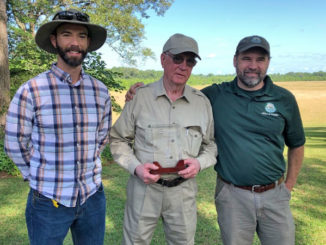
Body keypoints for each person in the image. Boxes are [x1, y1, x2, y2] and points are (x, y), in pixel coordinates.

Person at [125, 35, 305, 245]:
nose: (253, 66)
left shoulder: (284, 99)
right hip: (232, 195)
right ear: (235, 60)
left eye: (260, 59)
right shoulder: (216, 95)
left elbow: (297, 144)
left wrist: (288, 187)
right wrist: (140, 93)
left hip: (275, 194)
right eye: (247, 58)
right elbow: (176, 95)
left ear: (268, 62)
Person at [5, 9, 111, 245]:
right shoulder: (32, 90)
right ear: (54, 41)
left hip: (92, 197)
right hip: (47, 201)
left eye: (82, 36)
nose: (75, 43)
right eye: (66, 35)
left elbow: (101, 138)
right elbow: (14, 143)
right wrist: (40, 176)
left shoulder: (100, 91)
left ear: (88, 42)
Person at [109, 33, 217, 245]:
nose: (183, 66)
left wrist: (199, 163)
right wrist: (136, 168)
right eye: (178, 59)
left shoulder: (201, 102)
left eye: (190, 61)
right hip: (144, 190)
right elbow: (118, 140)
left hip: (183, 192)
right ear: (163, 59)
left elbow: (211, 145)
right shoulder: (140, 97)